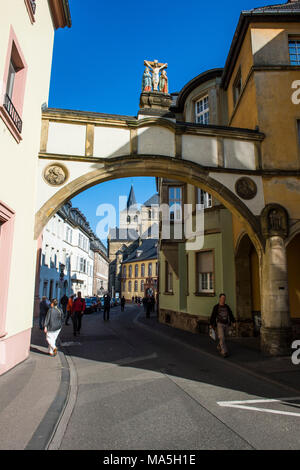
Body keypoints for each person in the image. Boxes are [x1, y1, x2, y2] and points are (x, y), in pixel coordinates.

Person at [210, 293, 236, 358]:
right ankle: (224, 352)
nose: (223, 300)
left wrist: (233, 322)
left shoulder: (227, 307)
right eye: (222, 298)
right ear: (220, 299)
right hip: (220, 324)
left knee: (225, 337)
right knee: (222, 337)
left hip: (226, 324)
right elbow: (213, 316)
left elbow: (230, 314)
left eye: (224, 298)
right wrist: (211, 324)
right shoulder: (216, 307)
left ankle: (219, 345)